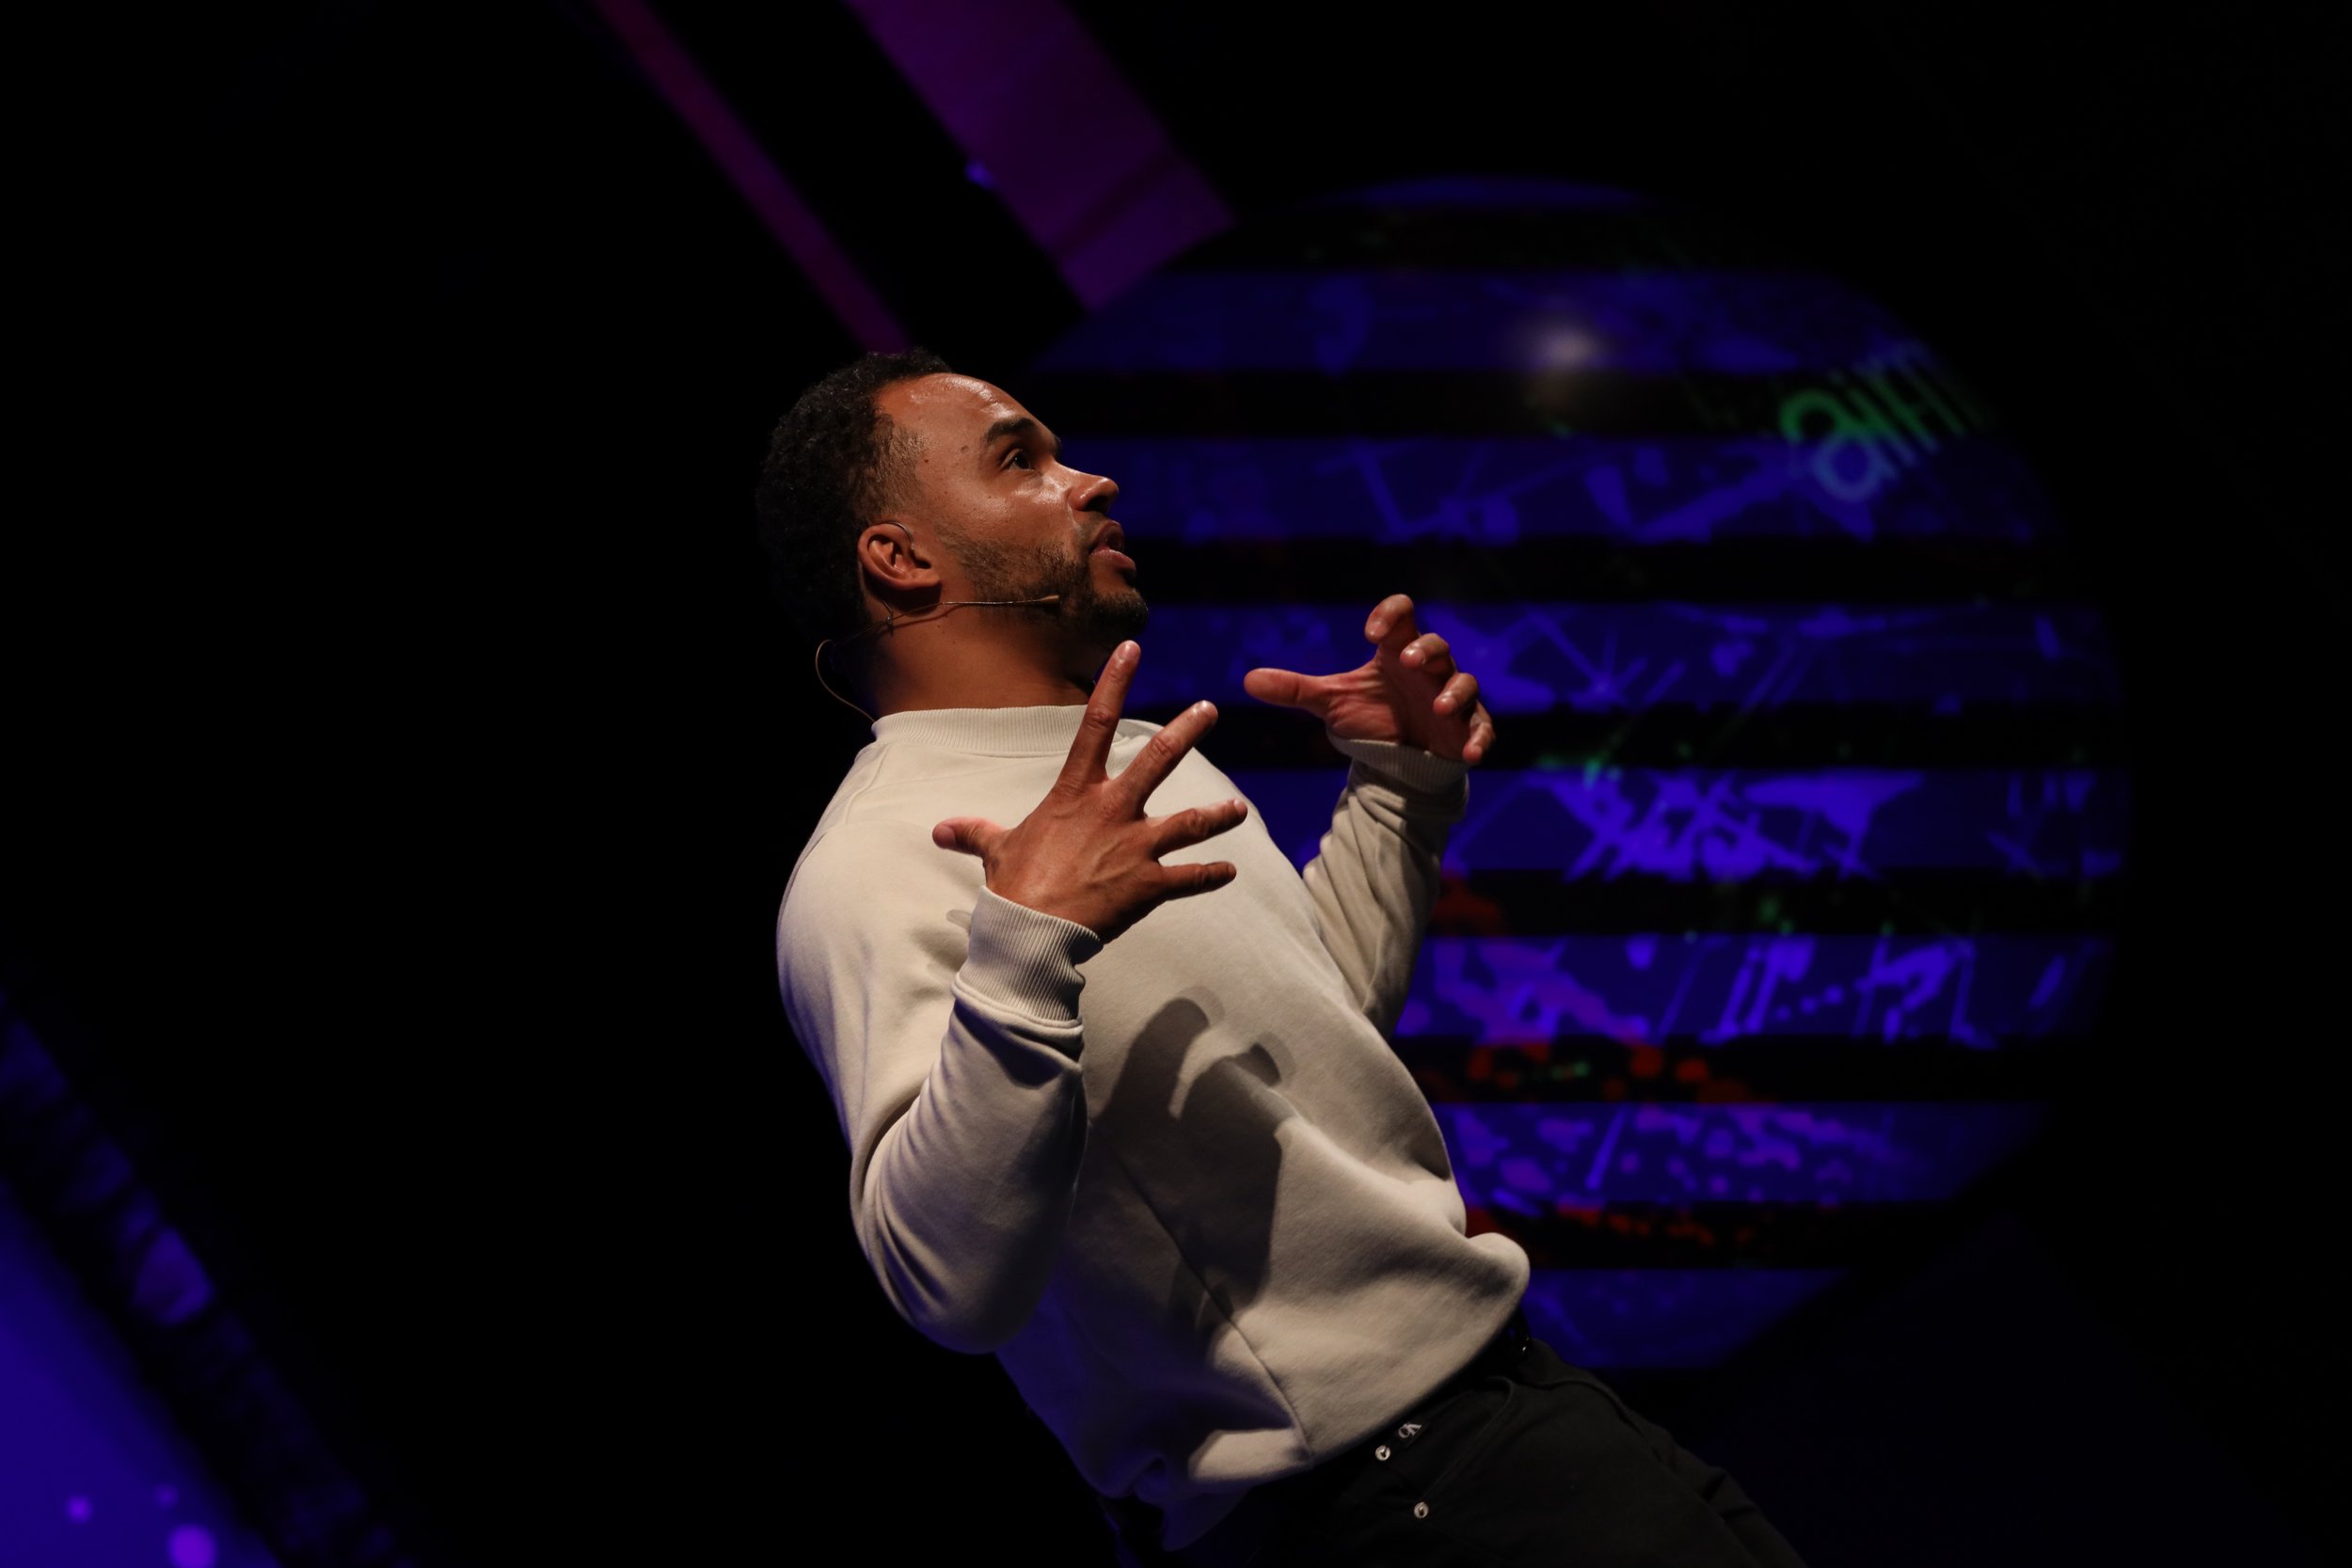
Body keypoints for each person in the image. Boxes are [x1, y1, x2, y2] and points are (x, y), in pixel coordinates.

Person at [762, 349, 1808, 1566]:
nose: (1089, 481)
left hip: (1519, 1411)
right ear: (901, 558)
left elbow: (1314, 1037)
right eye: (1020, 461)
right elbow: (948, 1285)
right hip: (1380, 1512)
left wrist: (1399, 795)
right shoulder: (878, 861)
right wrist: (1025, 949)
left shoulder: (1129, 755)